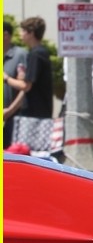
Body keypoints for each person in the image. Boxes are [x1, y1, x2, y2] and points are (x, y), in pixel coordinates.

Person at [9, 17, 55, 153]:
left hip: (34, 114)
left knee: (29, 152)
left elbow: (26, 86)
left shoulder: (36, 54)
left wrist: (6, 78)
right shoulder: (41, 53)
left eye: (23, 31)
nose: (21, 35)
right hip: (40, 112)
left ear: (31, 33)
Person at [3, 20, 28, 148]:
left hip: (14, 116)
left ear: (6, 35)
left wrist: (10, 110)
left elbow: (25, 87)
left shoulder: (20, 55)